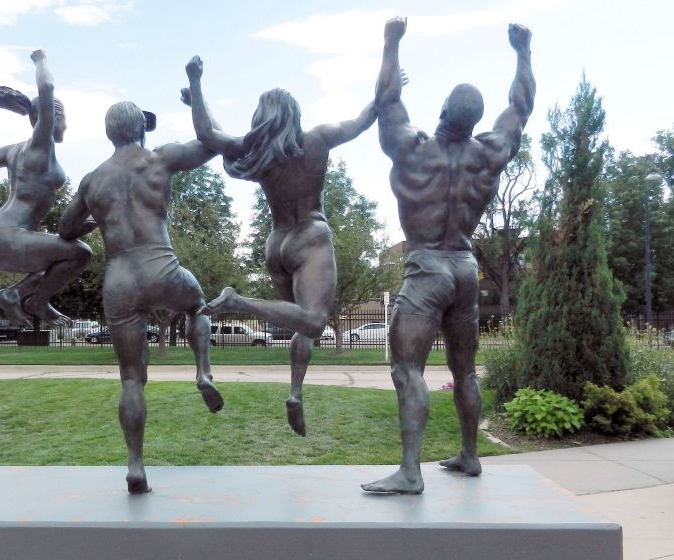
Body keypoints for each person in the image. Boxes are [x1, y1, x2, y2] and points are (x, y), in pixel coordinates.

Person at [361, 17, 535, 494]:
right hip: (464, 269)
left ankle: (410, 472)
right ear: (474, 122)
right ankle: (470, 455)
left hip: (427, 268)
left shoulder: (412, 150)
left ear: (441, 109)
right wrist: (522, 52)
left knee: (407, 369)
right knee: (465, 371)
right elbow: (520, 107)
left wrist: (391, 41)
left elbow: (387, 101)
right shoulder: (489, 153)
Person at [185, 55, 377, 436]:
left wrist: (196, 88)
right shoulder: (317, 139)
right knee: (312, 321)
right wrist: (388, 72)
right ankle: (239, 303)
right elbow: (363, 119)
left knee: (297, 322)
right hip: (310, 236)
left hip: (277, 244)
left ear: (262, 117)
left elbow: (211, 137)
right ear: (295, 113)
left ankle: (295, 394)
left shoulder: (257, 151)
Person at [59, 100, 223, 495]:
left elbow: (66, 229)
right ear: (141, 130)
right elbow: (213, 142)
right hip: (161, 267)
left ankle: (135, 465)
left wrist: (101, 217)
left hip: (120, 278)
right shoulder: (159, 158)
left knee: (132, 379)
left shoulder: (92, 180)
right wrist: (198, 93)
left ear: (108, 132)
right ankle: (202, 371)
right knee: (197, 305)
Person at [0, 49, 92, 328]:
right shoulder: (41, 144)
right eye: (64, 121)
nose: (66, 128)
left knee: (55, 259)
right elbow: (46, 88)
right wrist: (40, 59)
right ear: (53, 117)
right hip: (6, 235)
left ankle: (15, 295)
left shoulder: (14, 151)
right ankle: (36, 301)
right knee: (81, 253)